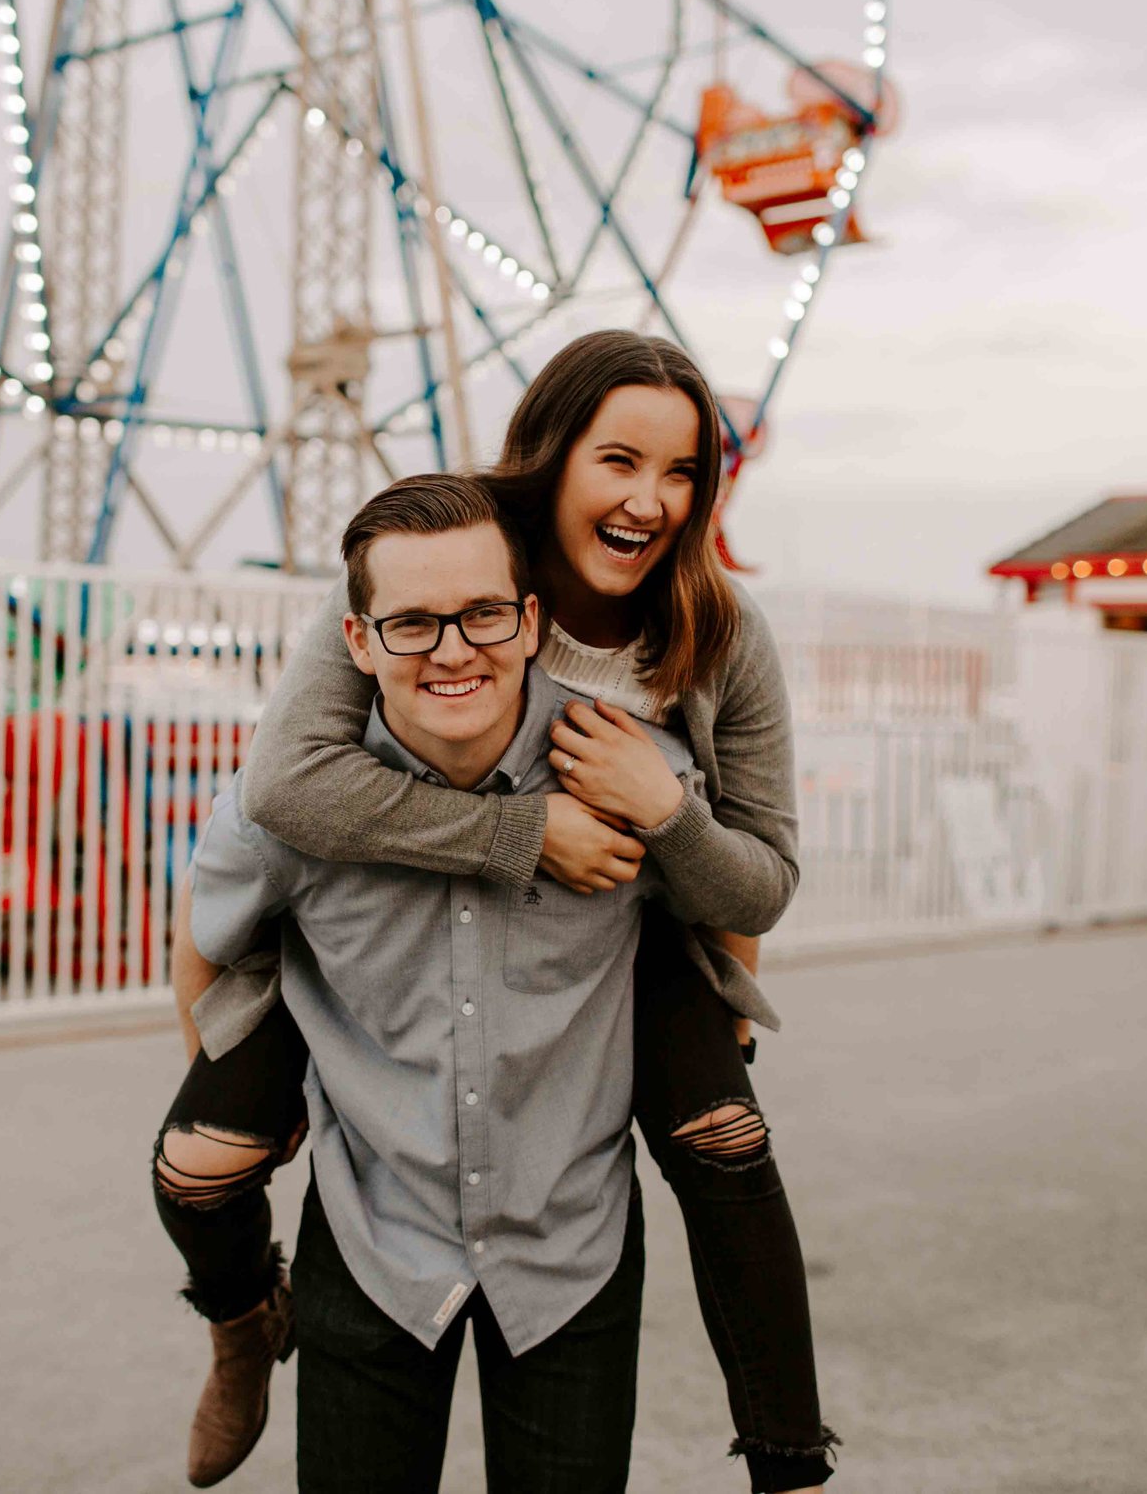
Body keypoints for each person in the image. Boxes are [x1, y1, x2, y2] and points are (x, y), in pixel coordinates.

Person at [156, 331, 836, 1492]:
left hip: (648, 913)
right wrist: (525, 834)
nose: (649, 499)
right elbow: (281, 787)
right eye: (619, 460)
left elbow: (762, 874)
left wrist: (665, 816)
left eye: (681, 472)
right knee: (200, 1158)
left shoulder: (719, 633)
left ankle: (786, 1453)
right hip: (433, 888)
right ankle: (242, 1322)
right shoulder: (438, 571)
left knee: (724, 1138)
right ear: (550, 458)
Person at [174, 472, 691, 1490]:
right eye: (412, 623)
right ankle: (240, 1322)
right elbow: (202, 936)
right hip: (372, 1243)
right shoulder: (291, 807)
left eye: (484, 615)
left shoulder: (625, 772)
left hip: (569, 1250)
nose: (453, 649)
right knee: (187, 1165)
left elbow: (726, 904)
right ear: (357, 642)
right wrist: (233, 1082)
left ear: (532, 620)